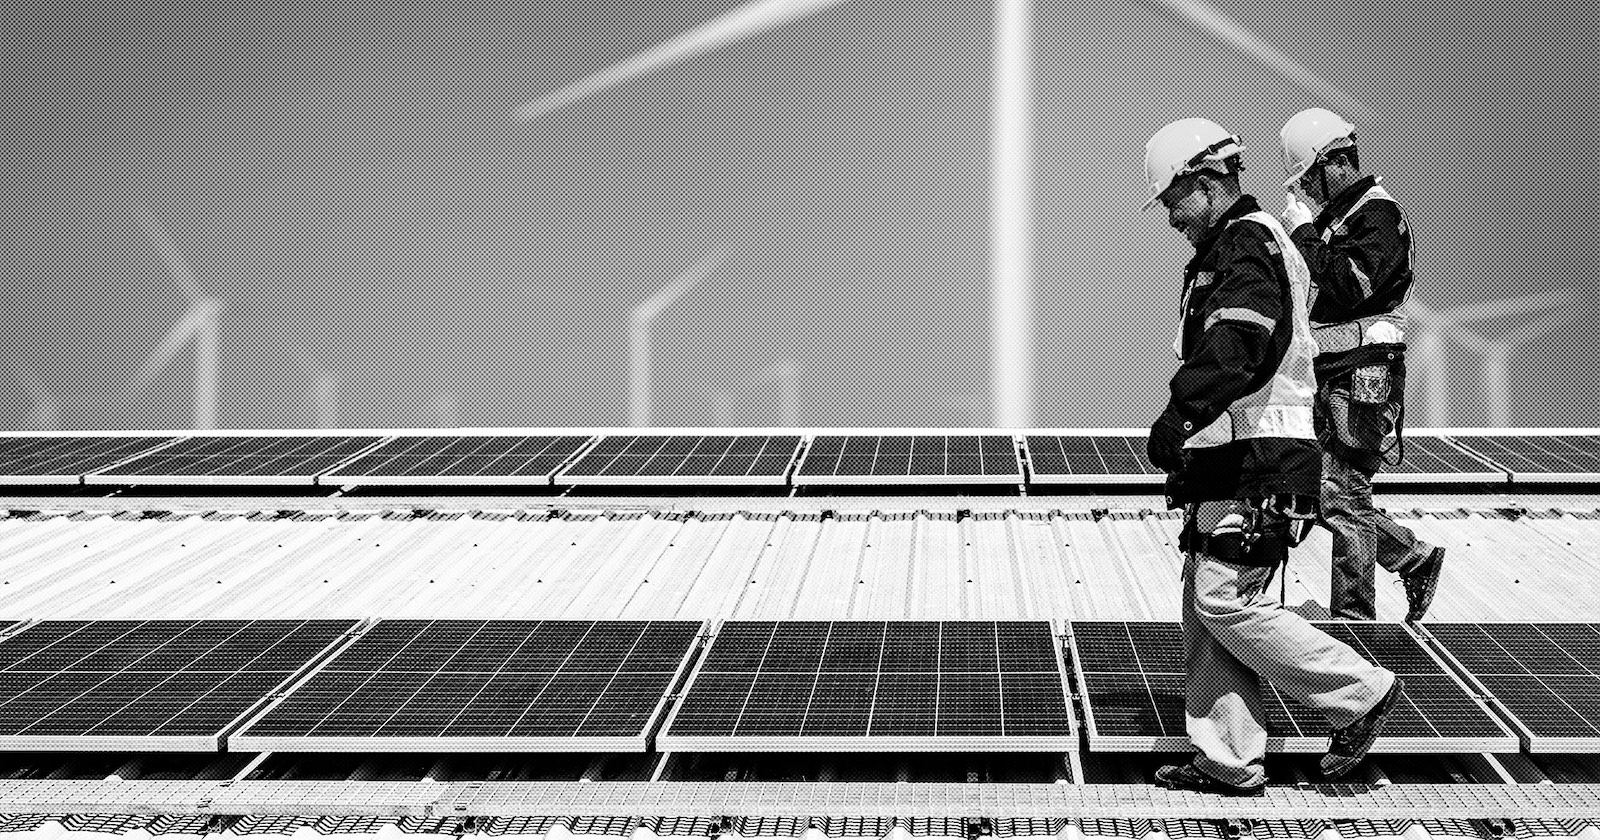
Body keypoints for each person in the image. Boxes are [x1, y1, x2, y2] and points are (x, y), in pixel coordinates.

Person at [1141, 118, 1404, 794]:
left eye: (1174, 201)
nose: (1172, 218)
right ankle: (1228, 757)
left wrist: (1181, 412)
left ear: (1205, 183)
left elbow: (1238, 343)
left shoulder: (1248, 244)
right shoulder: (1233, 247)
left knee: (1224, 600)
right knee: (1205, 605)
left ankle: (1360, 692)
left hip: (1258, 463)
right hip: (1227, 462)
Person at [1279, 108, 1445, 622]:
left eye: (1308, 176)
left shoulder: (1376, 215)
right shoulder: (1341, 220)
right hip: (1336, 369)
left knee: (1341, 490)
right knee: (1325, 488)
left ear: (1333, 162)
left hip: (1362, 369)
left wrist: (1303, 235)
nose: (1306, 189)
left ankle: (1353, 623)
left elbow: (1350, 285)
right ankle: (1411, 557)